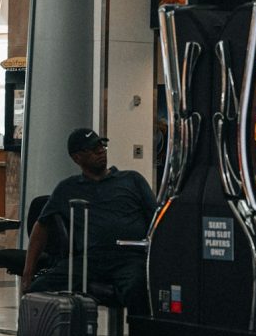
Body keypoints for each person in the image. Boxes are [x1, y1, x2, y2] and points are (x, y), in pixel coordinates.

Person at [20, 128, 157, 316]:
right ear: (77, 158)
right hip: (89, 259)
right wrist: (28, 274)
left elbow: (157, 219)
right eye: (93, 149)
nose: (101, 151)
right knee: (38, 290)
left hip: (129, 257)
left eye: (102, 146)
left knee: (139, 289)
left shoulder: (131, 180)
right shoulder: (68, 188)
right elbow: (41, 226)